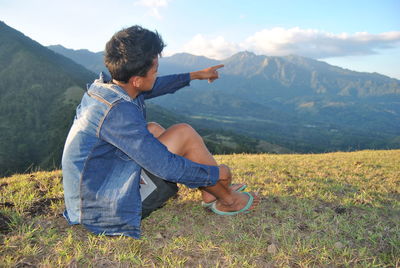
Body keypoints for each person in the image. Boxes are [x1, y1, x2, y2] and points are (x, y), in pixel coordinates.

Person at [61, 25, 259, 238]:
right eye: (155, 71)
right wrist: (216, 173)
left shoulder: (109, 88)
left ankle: (210, 193)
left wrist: (196, 75)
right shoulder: (118, 112)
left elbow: (155, 85)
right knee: (184, 133)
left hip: (93, 189)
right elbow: (166, 167)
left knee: (153, 129)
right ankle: (227, 199)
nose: (157, 75)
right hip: (100, 209)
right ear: (137, 80)